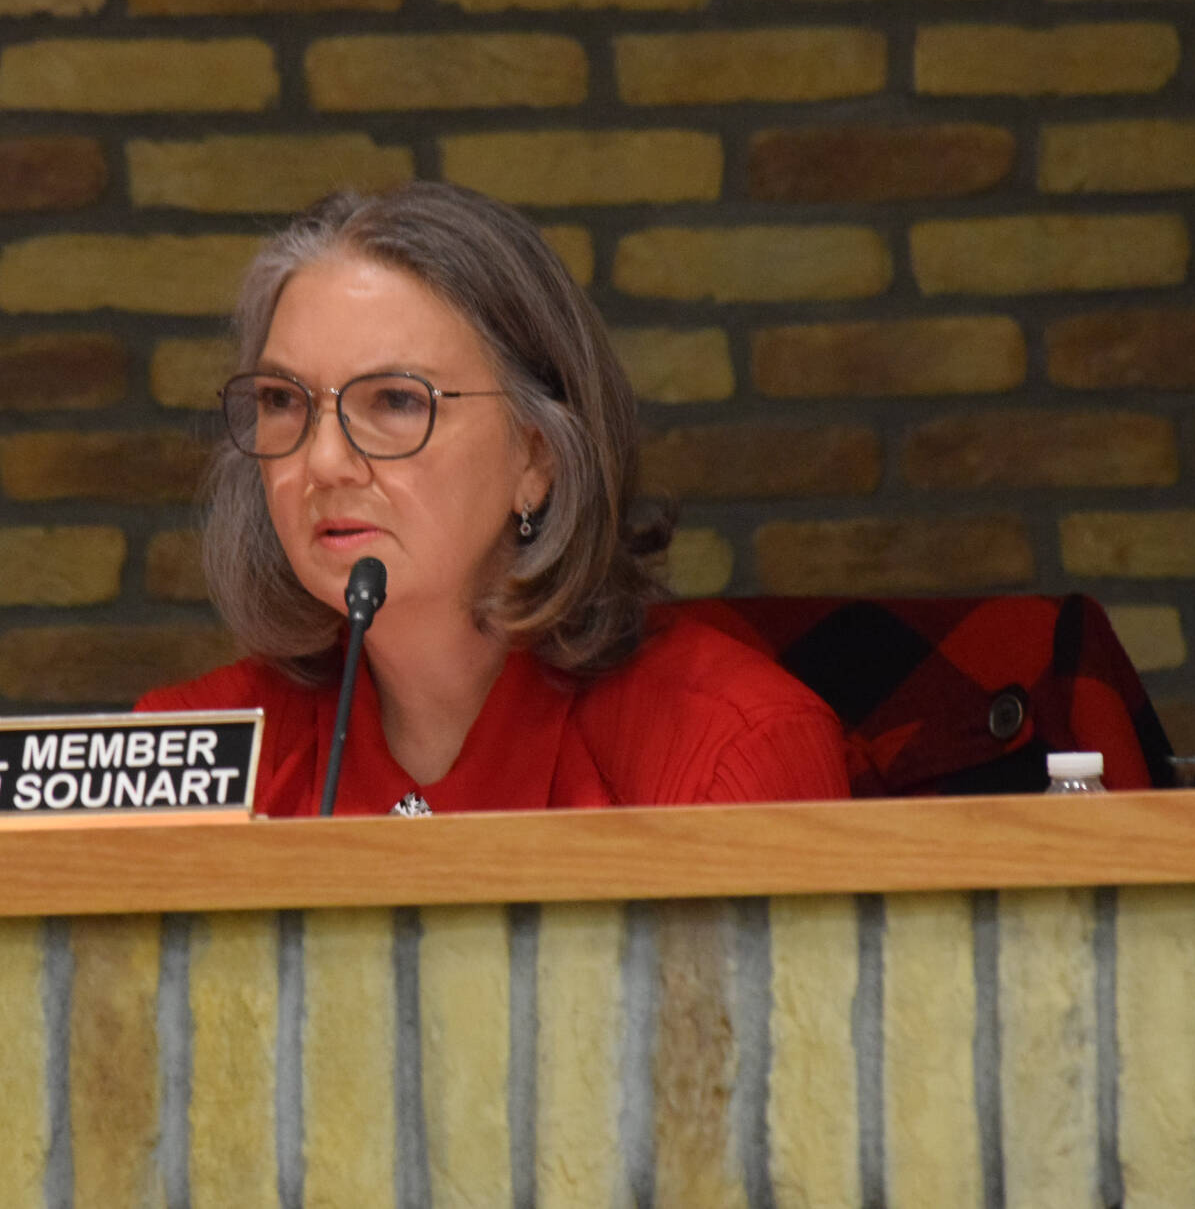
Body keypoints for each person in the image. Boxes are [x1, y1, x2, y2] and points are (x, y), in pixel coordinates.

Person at [137, 182, 850, 816]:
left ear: (536, 456)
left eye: (394, 401)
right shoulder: (185, 751)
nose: (323, 461)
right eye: (282, 399)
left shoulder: (727, 750)